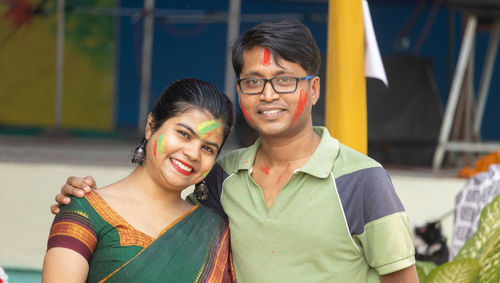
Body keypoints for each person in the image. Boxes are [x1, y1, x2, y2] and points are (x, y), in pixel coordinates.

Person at [52, 21, 418, 282]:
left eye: (285, 80)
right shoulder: (222, 177)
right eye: (253, 82)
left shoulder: (363, 181)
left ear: (315, 88)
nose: (269, 94)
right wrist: (82, 199)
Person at [43, 78, 235, 282]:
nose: (193, 153)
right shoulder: (85, 210)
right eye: (184, 134)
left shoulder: (214, 231)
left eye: (208, 148)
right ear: (151, 126)